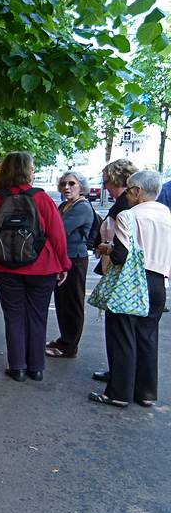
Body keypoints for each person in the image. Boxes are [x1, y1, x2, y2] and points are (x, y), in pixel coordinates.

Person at [0, 152, 71, 382]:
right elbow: (57, 235)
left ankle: (18, 367)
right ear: (27, 171)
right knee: (38, 316)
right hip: (43, 267)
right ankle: (37, 367)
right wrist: (63, 264)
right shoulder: (41, 198)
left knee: (13, 316)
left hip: (5, 268)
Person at [89, 170, 171, 407]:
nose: (127, 195)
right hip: (158, 283)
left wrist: (106, 249)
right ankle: (145, 392)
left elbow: (121, 256)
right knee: (147, 336)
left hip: (131, 282)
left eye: (129, 191)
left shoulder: (129, 215)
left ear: (137, 191)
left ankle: (118, 393)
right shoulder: (166, 215)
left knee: (122, 334)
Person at [91, 159, 138, 382]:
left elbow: (121, 248)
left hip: (121, 274)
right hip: (130, 274)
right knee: (131, 332)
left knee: (119, 329)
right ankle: (128, 378)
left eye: (106, 182)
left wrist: (105, 248)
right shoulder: (130, 205)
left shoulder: (124, 206)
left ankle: (120, 380)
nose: (105, 188)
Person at [45, 172, 94, 358]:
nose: (67, 187)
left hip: (75, 260)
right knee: (62, 302)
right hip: (63, 259)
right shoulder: (65, 205)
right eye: (64, 184)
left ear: (80, 186)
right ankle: (65, 339)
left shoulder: (81, 207)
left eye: (71, 183)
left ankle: (69, 346)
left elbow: (59, 230)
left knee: (72, 303)